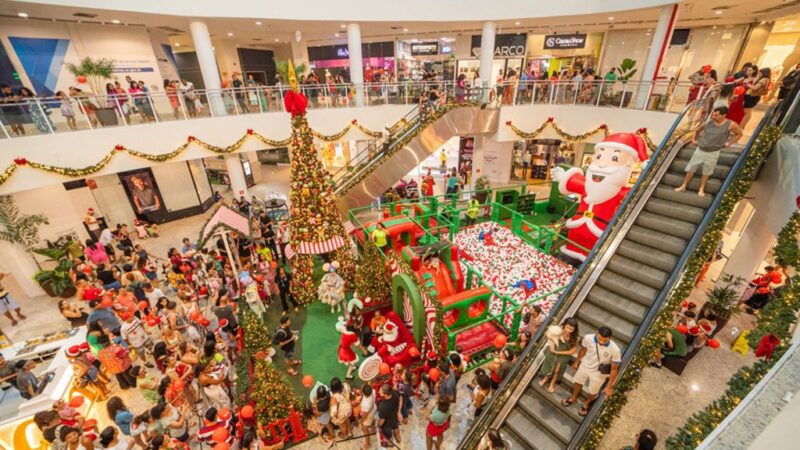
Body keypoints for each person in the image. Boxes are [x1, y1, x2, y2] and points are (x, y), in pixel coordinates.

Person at [674, 106, 743, 197]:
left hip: (713, 152)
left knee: (707, 171)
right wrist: (694, 140)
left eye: (716, 115)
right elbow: (697, 130)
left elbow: (739, 134)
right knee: (691, 169)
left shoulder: (731, 124)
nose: (713, 117)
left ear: (724, 115)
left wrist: (729, 144)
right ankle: (683, 186)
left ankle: (701, 189)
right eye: (713, 114)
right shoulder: (708, 123)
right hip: (700, 149)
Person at [561, 327, 622, 417]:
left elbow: (614, 369)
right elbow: (583, 350)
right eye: (599, 339)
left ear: (609, 338)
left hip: (599, 373)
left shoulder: (615, 349)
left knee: (593, 391)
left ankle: (586, 403)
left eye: (604, 340)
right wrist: (577, 361)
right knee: (578, 382)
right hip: (585, 365)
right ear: (597, 333)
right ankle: (573, 397)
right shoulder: (588, 338)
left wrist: (609, 387)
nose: (601, 342)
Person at [538, 317, 579, 392]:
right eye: (567, 328)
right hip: (552, 352)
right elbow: (546, 334)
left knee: (557, 371)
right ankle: (546, 378)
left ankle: (552, 383)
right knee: (549, 366)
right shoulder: (558, 330)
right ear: (564, 325)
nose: (568, 330)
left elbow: (572, 351)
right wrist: (552, 339)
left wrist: (557, 352)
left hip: (562, 356)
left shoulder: (574, 337)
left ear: (574, 329)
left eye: (571, 329)